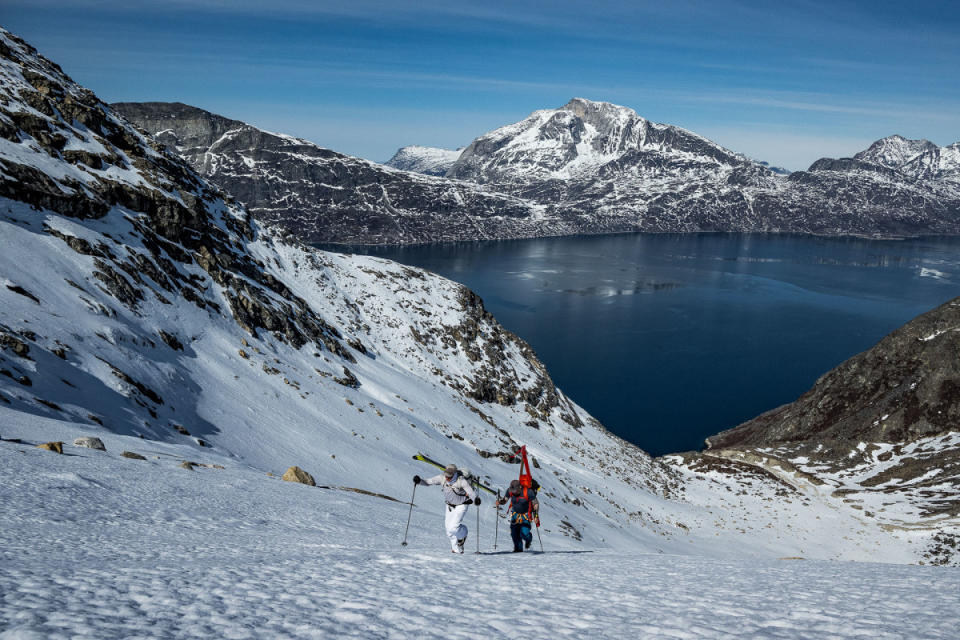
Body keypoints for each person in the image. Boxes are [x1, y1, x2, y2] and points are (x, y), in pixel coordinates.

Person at [413, 464, 479, 554]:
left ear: (454, 474)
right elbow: (428, 482)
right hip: (449, 506)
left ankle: (463, 534)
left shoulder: (461, 481)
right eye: (446, 475)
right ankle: (457, 551)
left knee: (453, 528)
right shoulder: (442, 478)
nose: (447, 478)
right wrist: (419, 481)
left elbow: (471, 492)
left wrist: (476, 499)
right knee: (449, 531)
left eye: (449, 476)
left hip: (462, 505)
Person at [495, 478, 539, 552]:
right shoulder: (510, 491)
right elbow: (505, 499)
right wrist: (500, 502)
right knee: (514, 533)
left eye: (515, 491)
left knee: (524, 533)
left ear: (520, 487)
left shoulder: (528, 492)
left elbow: (535, 504)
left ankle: (529, 539)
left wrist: (536, 516)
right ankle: (518, 550)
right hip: (515, 514)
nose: (514, 493)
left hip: (526, 515)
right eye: (513, 491)